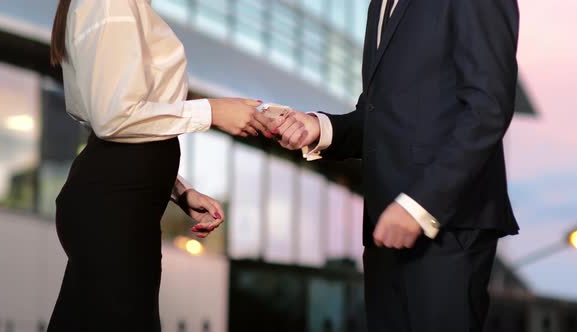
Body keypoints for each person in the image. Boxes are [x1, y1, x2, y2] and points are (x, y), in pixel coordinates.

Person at [266, 0, 520, 331]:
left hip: (446, 227)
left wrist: (419, 204)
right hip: (386, 229)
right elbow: (379, 118)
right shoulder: (380, 5)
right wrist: (319, 128)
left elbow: (488, 111)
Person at [47, 0, 270, 330]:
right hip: (113, 208)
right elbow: (114, 118)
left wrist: (177, 188)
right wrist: (212, 112)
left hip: (120, 205)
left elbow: (121, 120)